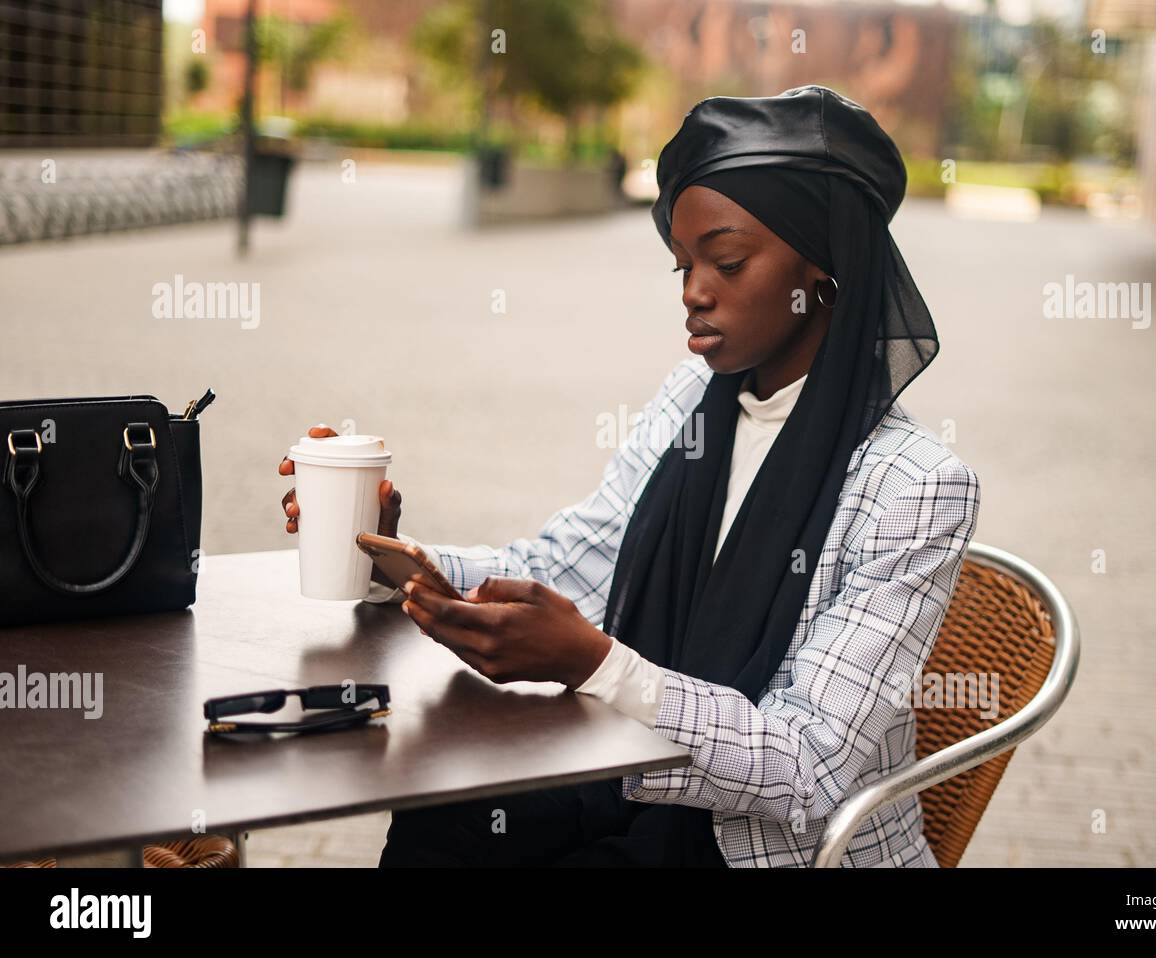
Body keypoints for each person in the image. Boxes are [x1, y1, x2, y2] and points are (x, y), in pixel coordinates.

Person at [278, 85, 980, 867]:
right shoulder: (695, 402)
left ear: (823, 269)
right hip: (631, 773)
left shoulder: (914, 488)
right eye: (682, 264)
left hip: (770, 846)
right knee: (446, 821)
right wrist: (394, 555)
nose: (693, 291)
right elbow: (568, 566)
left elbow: (809, 767)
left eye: (728, 261)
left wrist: (596, 664)